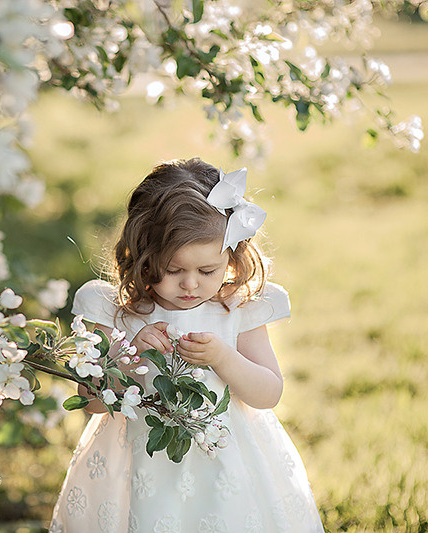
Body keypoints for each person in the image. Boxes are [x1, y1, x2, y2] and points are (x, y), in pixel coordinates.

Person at [49, 158, 323, 532]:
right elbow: (92, 401)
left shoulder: (236, 308)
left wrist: (224, 357)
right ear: (144, 258)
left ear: (231, 256)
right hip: (137, 465)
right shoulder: (118, 313)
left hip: (227, 465)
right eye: (174, 271)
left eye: (207, 271)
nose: (190, 285)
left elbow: (268, 393)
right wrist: (130, 358)